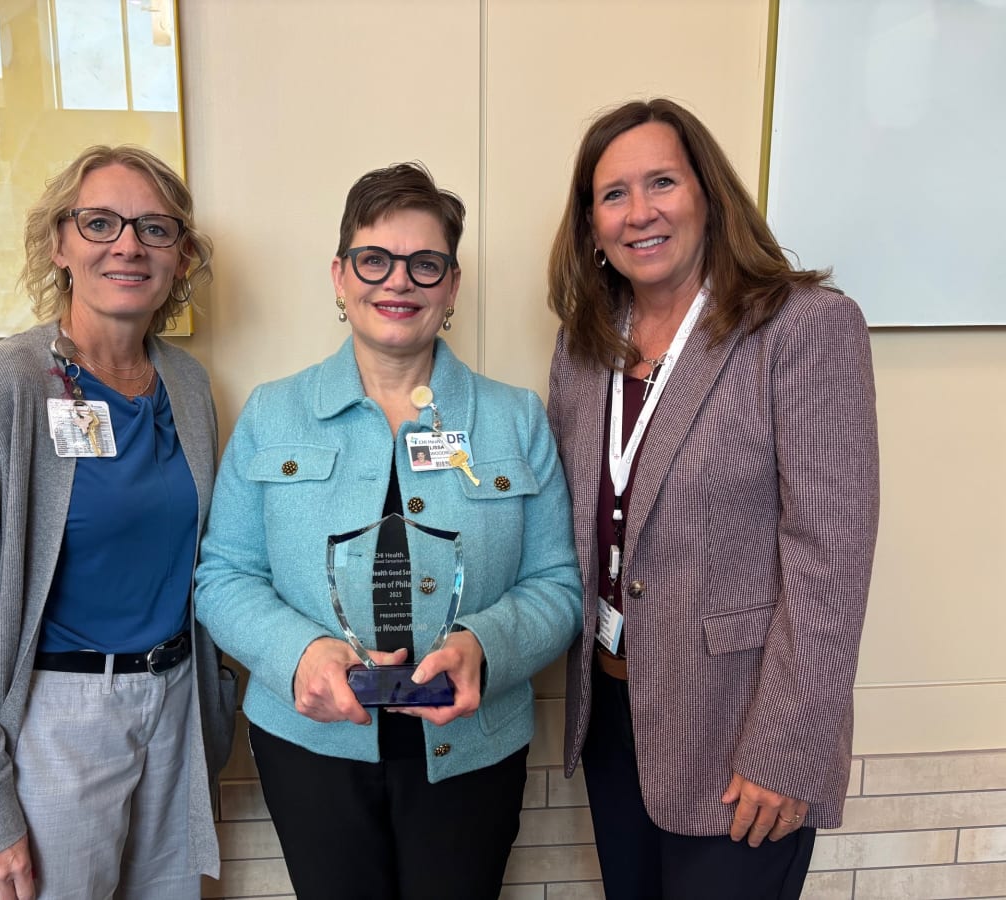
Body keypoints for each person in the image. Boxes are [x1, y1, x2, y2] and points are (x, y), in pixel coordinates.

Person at [195, 162, 581, 900]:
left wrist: (484, 647)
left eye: (424, 264)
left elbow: (558, 586)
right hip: (310, 746)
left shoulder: (515, 418)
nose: (398, 283)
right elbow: (224, 575)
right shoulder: (274, 413)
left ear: (452, 286)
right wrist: (300, 653)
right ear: (340, 277)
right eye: (375, 260)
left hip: (473, 749)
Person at [545, 99, 879, 899]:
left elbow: (829, 561)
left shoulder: (802, 328)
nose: (640, 212)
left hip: (739, 731)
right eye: (613, 194)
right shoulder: (586, 342)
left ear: (708, 195)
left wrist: (788, 748)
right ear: (591, 226)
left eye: (662, 181)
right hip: (615, 717)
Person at [0, 145, 237, 900]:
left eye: (155, 228)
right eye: (99, 222)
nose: (127, 244)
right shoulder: (1, 388)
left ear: (181, 258)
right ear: (59, 245)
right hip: (50, 725)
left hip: (171, 711)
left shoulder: (186, 384)